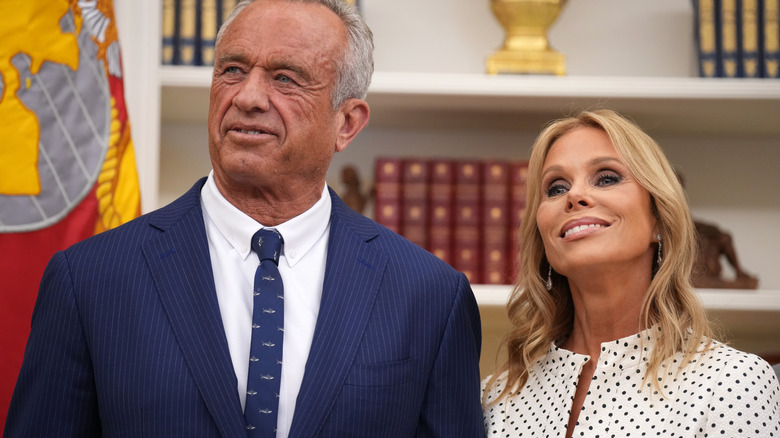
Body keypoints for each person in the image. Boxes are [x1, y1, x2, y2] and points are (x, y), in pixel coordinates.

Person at [5, 0, 484, 436]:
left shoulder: (430, 298)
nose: (248, 96)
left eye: (285, 78)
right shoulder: (89, 279)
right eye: (232, 70)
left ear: (347, 123)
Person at [481, 109, 779, 437]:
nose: (574, 196)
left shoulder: (733, 381)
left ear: (659, 219)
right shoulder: (495, 398)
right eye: (555, 187)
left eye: (606, 178)